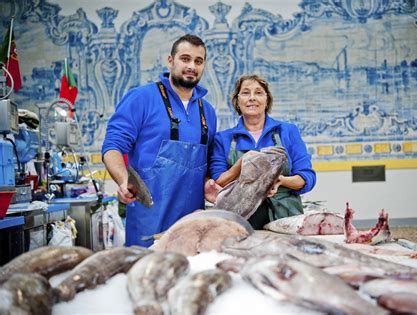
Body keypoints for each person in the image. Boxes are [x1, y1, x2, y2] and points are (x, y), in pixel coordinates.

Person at [102, 34, 217, 247]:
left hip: (191, 226)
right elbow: (113, 146)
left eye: (198, 61)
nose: (192, 66)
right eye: (185, 58)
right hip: (149, 223)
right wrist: (123, 180)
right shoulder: (141, 98)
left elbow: (206, 163)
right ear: (170, 61)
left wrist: (209, 183)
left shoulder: (207, 112)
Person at [210, 74, 316, 229]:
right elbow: (218, 181)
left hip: (285, 219)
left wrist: (281, 180)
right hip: (239, 221)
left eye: (258, 93)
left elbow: (307, 177)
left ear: (267, 100)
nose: (252, 98)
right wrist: (242, 163)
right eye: (245, 93)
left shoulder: (287, 131)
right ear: (237, 102)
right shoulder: (223, 139)